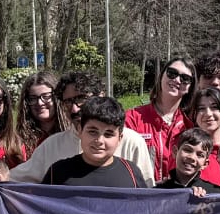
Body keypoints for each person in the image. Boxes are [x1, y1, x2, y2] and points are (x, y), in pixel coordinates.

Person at [11, 72, 155, 183]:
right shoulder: (51, 146)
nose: (74, 109)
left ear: (101, 96)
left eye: (81, 99)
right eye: (68, 102)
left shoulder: (132, 143)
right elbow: (14, 180)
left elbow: (146, 197)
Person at [43, 97, 148, 187]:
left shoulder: (131, 173)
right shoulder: (57, 172)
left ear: (120, 138)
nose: (99, 141)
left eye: (108, 134)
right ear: (80, 131)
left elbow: (145, 208)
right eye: (92, 132)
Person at [125, 56, 195, 182]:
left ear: (190, 87)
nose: (177, 80)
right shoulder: (132, 118)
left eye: (185, 79)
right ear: (162, 75)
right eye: (172, 73)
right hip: (141, 195)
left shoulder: (189, 126)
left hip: (176, 196)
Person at [155, 128, 220, 193]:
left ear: (205, 164)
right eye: (187, 150)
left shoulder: (213, 194)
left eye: (200, 155)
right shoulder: (159, 192)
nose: (192, 157)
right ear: (175, 152)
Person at [16, 70, 62, 156]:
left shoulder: (73, 134)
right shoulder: (18, 141)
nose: (40, 103)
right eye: (33, 98)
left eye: (46, 97)